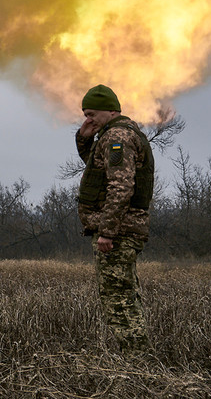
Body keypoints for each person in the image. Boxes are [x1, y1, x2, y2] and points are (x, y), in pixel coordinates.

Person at [75, 84, 155, 356]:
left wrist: (108, 232)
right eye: (85, 115)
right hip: (124, 229)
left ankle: (137, 362)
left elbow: (120, 186)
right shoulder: (117, 134)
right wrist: (84, 140)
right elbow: (98, 167)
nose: (88, 120)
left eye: (91, 114)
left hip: (119, 233)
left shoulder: (117, 137)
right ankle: (138, 357)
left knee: (118, 300)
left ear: (110, 111)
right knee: (123, 295)